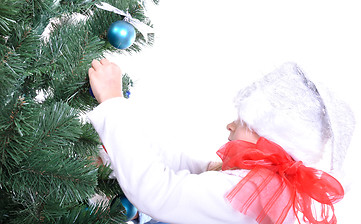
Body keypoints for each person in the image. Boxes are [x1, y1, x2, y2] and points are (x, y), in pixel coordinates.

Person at [88, 59, 354, 224]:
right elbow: (186, 165)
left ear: (270, 138)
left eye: (242, 122)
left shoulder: (256, 190)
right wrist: (112, 154)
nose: (230, 125)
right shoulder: (266, 184)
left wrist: (112, 103)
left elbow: (159, 193)